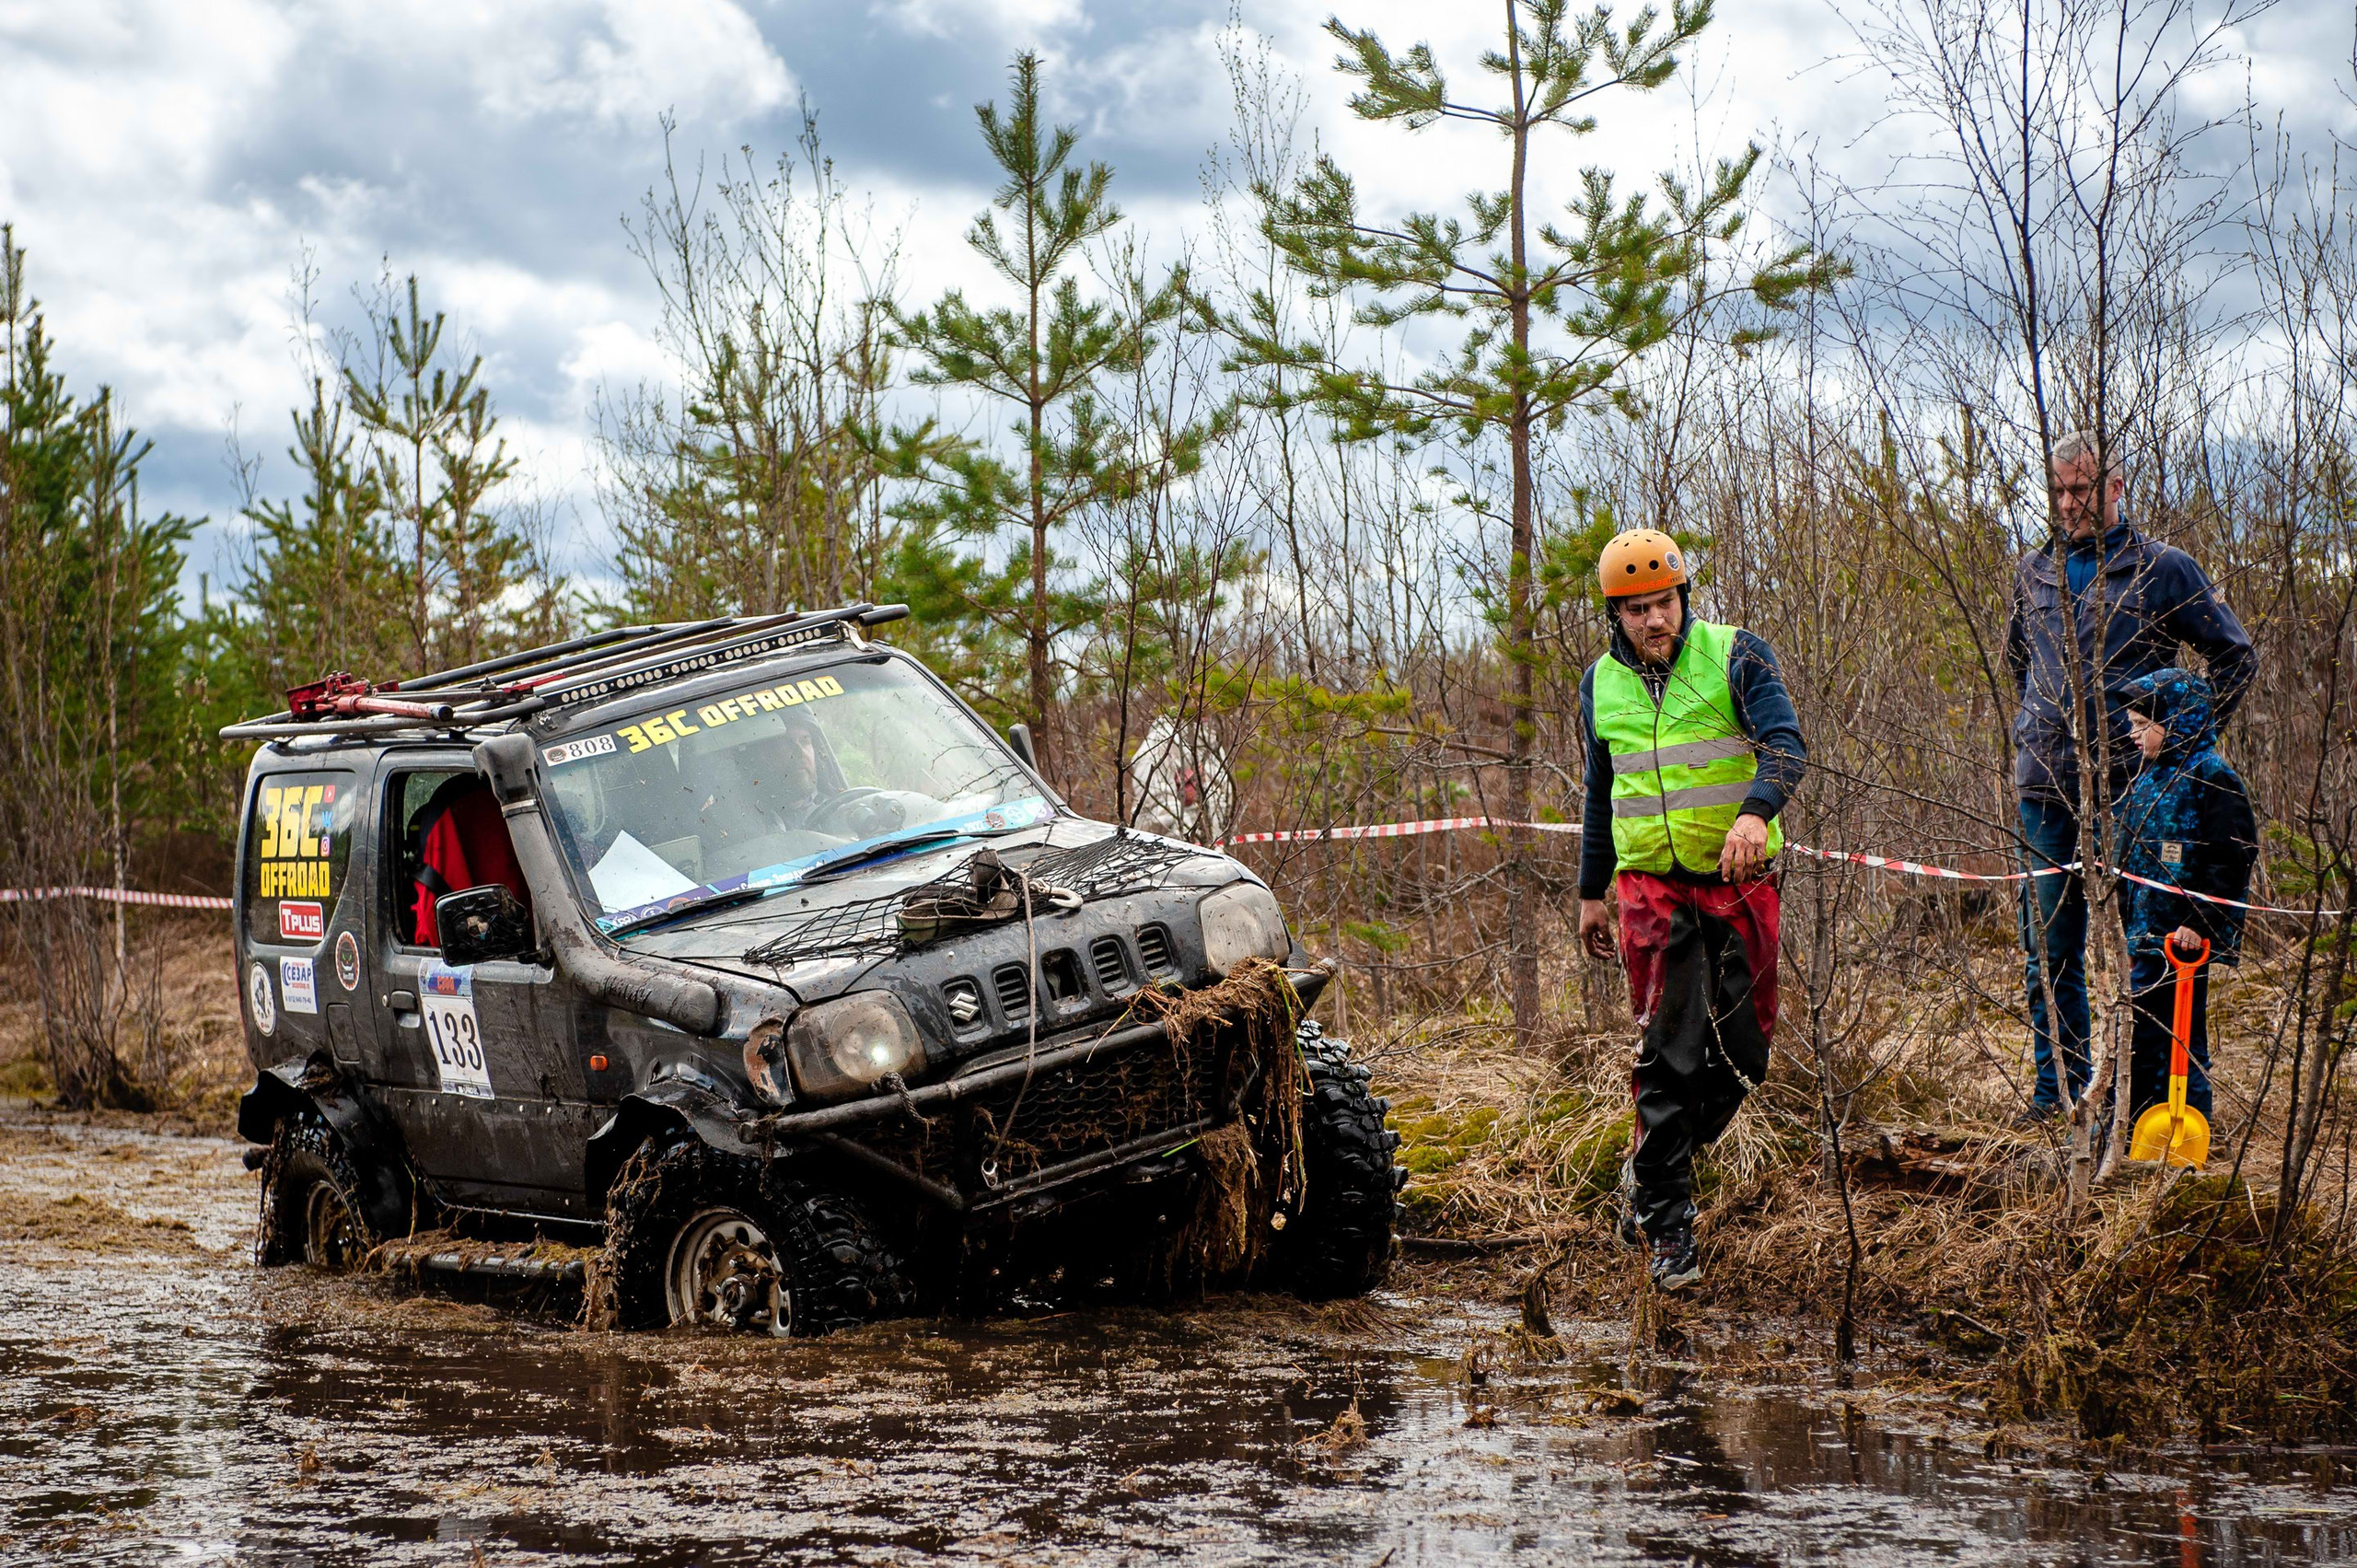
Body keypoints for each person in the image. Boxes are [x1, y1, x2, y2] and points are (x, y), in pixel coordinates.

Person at [1575, 528, 1806, 1291]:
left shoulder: (1738, 653)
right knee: (1668, 1050)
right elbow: (1599, 792)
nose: (1654, 620)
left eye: (1665, 602)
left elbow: (1786, 744)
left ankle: (1645, 1171)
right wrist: (1588, 891)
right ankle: (1669, 1227)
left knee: (1745, 1055)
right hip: (1649, 887)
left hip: (1738, 872)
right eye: (1637, 609)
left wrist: (1754, 812)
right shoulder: (1598, 685)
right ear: (1616, 614)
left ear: (1684, 597)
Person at [2004, 432, 2255, 1123]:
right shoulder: (2034, 572)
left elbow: (2234, 657)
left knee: (2147, 948)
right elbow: (2022, 664)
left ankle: (2145, 1103)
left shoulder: (2163, 569)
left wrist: (2181, 743)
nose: (2068, 503)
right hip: (2046, 789)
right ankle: (2060, 1097)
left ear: (2116, 487)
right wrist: (2041, 729)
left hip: (2137, 796)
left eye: (2081, 489)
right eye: (2057, 490)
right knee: (2050, 949)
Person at [2114, 668, 2258, 1123]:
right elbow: (2130, 856)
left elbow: (2230, 859)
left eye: (2143, 725)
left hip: (2184, 939)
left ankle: (2189, 1119)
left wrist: (2200, 923)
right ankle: (2136, 1121)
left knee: (2180, 1034)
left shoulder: (2212, 777)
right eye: (2132, 725)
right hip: (2145, 931)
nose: (2133, 735)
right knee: (2142, 1028)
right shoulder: (2148, 779)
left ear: (2176, 721)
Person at [412, 777, 532, 948]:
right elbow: (434, 928)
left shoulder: (531, 794)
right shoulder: (451, 808)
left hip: (531, 942)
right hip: (492, 949)